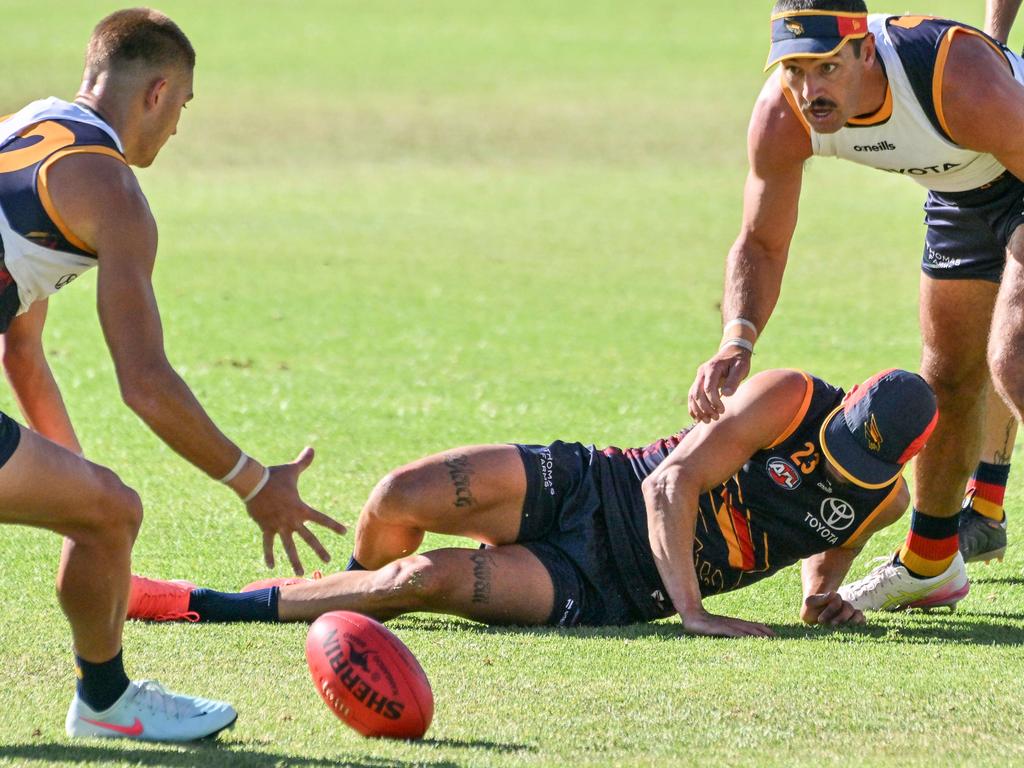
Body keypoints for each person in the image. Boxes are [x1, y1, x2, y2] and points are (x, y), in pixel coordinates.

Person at [0, 9, 345, 740]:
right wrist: (256, 483)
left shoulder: (27, 129)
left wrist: (73, 483)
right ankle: (105, 706)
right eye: (182, 106)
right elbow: (145, 382)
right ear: (156, 93)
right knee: (112, 513)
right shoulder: (116, 196)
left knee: (98, 509)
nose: (178, 128)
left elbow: (19, 349)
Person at [126, 368, 945, 637]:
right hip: (601, 482)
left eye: (865, 466)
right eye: (843, 441)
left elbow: (834, 534)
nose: (844, 467)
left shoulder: (885, 498)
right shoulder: (790, 397)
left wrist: (819, 594)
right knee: (398, 495)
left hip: (614, 587)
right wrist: (697, 613)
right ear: (844, 410)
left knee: (417, 580)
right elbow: (672, 482)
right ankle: (341, 619)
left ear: (899, 462)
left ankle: (199, 604)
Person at [686, 0, 1024, 610]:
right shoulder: (784, 113)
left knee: (1014, 357)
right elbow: (761, 241)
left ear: (865, 51)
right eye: (793, 69)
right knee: (948, 377)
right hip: (960, 192)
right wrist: (737, 338)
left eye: (826, 68)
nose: (809, 89)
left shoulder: (954, 76)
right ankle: (930, 564)